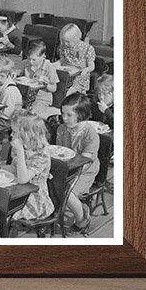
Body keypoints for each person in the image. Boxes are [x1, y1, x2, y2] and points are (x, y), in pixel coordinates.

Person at [55, 94, 100, 233]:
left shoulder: (90, 134)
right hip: (65, 167)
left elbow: (84, 163)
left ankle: (82, 218)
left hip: (85, 171)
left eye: (69, 115)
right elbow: (58, 151)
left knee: (66, 191)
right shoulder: (62, 129)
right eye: (63, 113)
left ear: (81, 114)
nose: (64, 118)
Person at [7, 113, 53, 222]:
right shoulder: (23, 146)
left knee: (2, 209)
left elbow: (23, 179)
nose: (11, 135)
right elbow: (14, 168)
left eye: (14, 132)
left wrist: (20, 151)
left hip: (34, 198)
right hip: (18, 190)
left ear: (27, 135)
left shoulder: (41, 155)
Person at [57, 22, 96, 96]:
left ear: (76, 38)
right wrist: (55, 64)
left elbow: (92, 66)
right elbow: (62, 60)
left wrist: (86, 70)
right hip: (67, 74)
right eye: (63, 41)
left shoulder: (88, 48)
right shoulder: (63, 47)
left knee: (67, 93)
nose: (65, 44)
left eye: (68, 42)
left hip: (80, 76)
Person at [23, 38, 59, 112]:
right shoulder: (26, 63)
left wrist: (46, 84)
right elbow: (15, 70)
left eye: (34, 59)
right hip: (26, 96)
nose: (30, 61)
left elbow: (54, 88)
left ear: (43, 56)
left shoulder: (49, 67)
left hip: (42, 99)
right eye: (29, 58)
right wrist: (13, 73)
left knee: (32, 112)